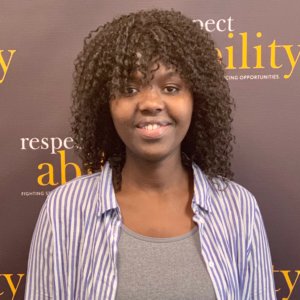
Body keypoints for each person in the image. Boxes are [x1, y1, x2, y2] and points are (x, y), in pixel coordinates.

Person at [25, 9, 276, 300]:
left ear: (198, 100)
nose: (150, 103)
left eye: (171, 88)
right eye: (129, 88)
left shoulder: (238, 209)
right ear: (104, 104)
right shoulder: (65, 210)